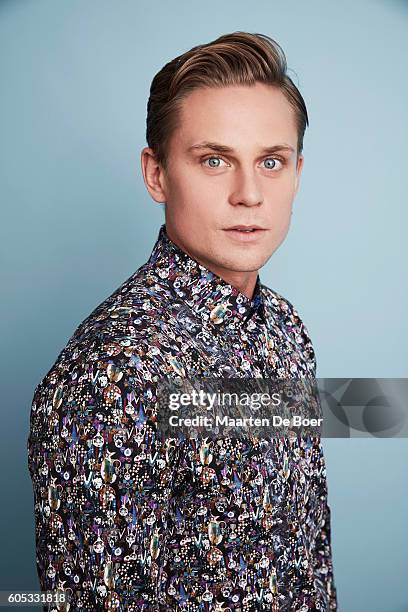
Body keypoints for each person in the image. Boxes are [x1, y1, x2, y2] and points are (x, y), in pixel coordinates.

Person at [27, 31, 337, 611]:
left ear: (297, 173)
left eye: (272, 161)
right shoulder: (113, 372)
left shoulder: (284, 328)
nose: (249, 194)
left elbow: (307, 553)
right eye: (214, 160)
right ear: (157, 175)